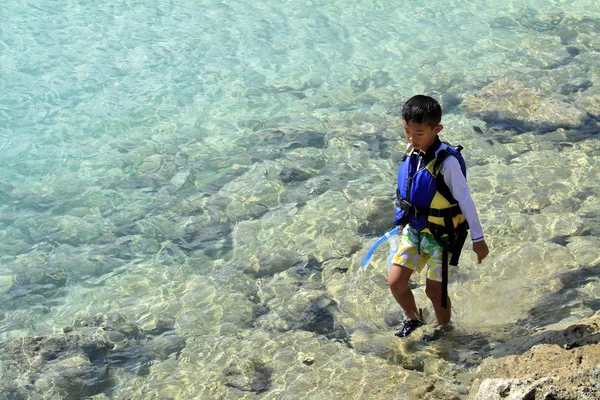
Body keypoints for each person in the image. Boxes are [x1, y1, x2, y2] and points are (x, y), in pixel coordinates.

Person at [389, 95, 489, 338]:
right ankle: (413, 318)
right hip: (414, 231)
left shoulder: (447, 162)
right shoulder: (412, 152)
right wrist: (402, 220)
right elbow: (408, 188)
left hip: (441, 237)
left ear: (437, 129)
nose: (412, 139)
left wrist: (479, 239)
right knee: (396, 283)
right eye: (407, 131)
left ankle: (444, 331)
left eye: (419, 133)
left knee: (435, 292)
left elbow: (465, 200)